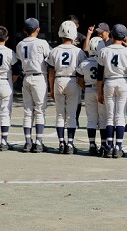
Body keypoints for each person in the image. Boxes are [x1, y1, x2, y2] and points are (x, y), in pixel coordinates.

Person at [47, 21, 86, 154]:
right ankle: (70, 143)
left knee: (59, 114)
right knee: (71, 115)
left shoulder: (55, 51)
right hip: (73, 81)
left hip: (59, 80)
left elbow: (51, 72)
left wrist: (51, 89)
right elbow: (82, 71)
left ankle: (61, 143)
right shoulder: (79, 51)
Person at [97, 24, 127, 158]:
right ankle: (118, 146)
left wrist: (99, 92)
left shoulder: (104, 51)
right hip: (123, 81)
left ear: (111, 35)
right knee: (120, 115)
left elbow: (99, 74)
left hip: (108, 81)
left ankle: (109, 146)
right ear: (124, 37)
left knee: (109, 115)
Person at [15, 17, 51, 153]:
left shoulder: (20, 44)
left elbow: (19, 60)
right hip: (39, 77)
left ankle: (28, 142)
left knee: (28, 111)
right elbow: (49, 59)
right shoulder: (42, 42)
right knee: (39, 110)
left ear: (24, 30)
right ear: (38, 29)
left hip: (26, 77)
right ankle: (38, 142)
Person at [77, 37, 107, 156]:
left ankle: (92, 145)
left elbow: (79, 80)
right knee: (103, 118)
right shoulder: (103, 62)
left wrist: (86, 88)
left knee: (91, 119)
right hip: (102, 90)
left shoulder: (84, 62)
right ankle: (104, 144)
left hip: (89, 89)